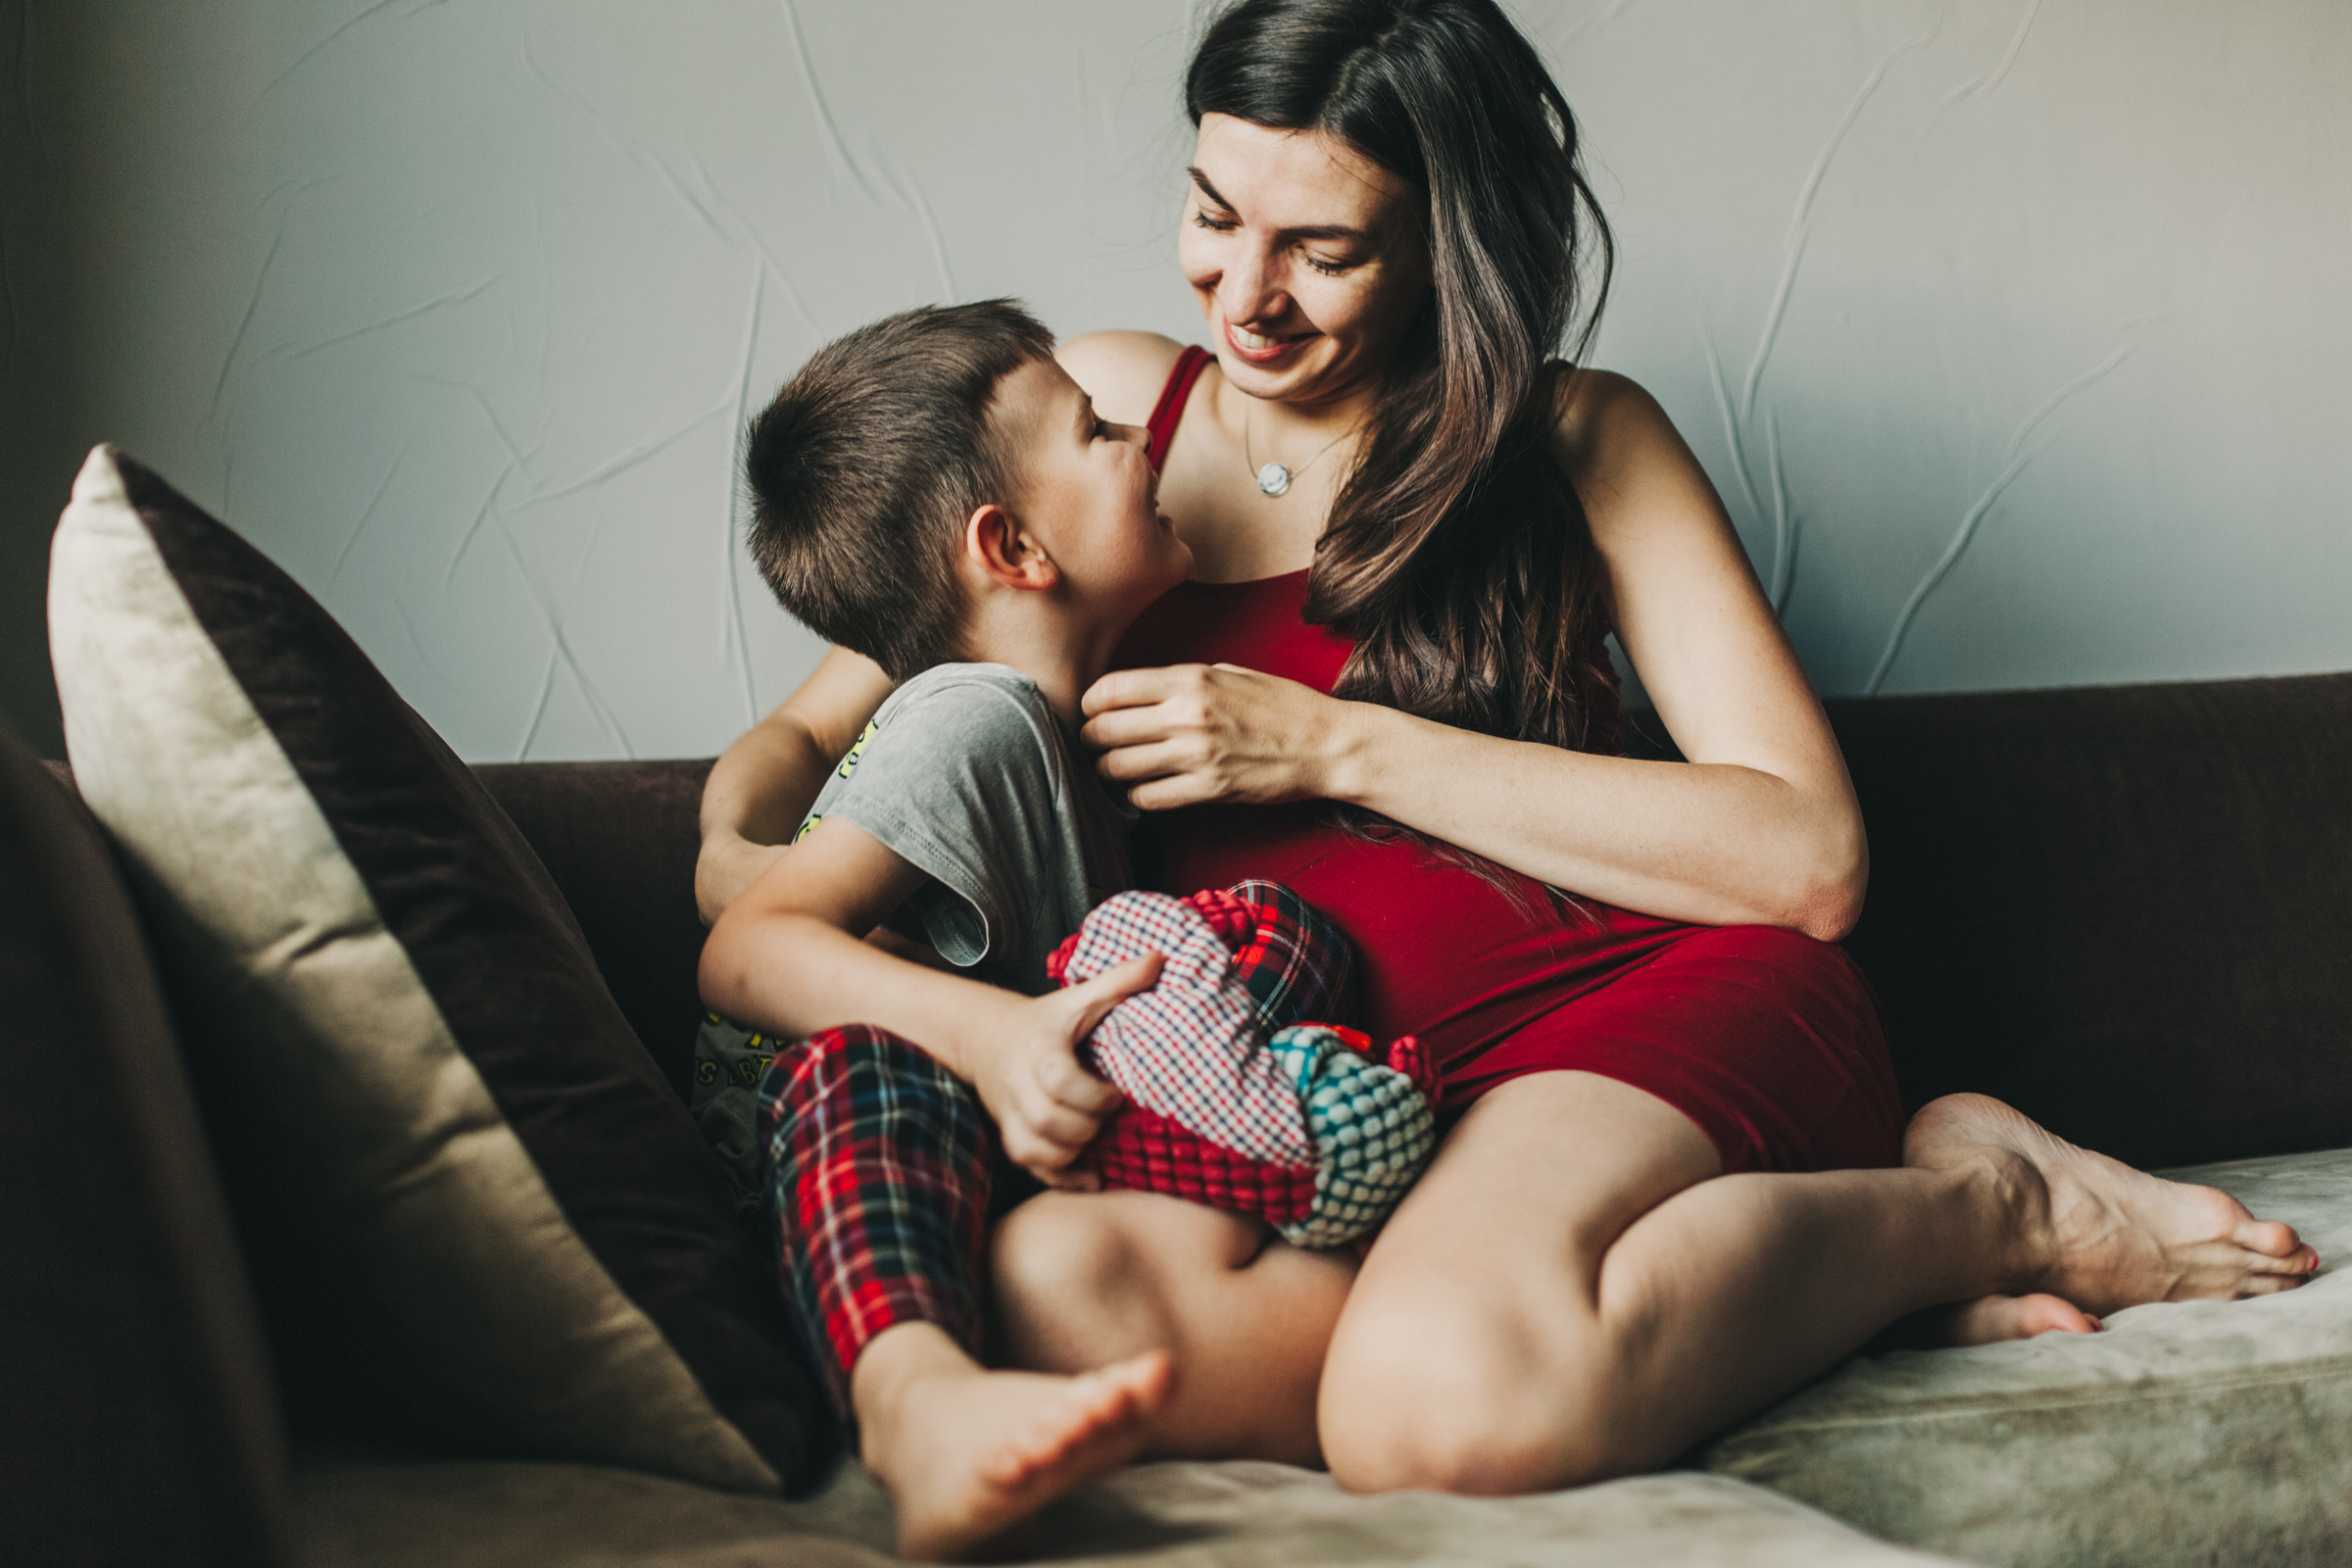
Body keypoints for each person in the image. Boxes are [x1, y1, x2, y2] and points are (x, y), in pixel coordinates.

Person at [699, 0, 2318, 1504]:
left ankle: (1982, 1205)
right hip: (1326, 1107)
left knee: (1436, 1415)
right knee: (1055, 1294)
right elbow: (819, 732)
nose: (1243, 295)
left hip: (1626, 1021)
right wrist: (741, 857)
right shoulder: (1110, 425)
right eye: (1211, 213)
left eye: (1320, 248)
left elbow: (1810, 858)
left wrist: (1337, 744)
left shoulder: (1576, 439)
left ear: (1441, 249)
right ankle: (1746, 1310)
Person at [698, 299, 1195, 1559]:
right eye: (1096, 429)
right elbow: (747, 950)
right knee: (875, 1057)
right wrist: (990, 1036)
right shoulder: (974, 720)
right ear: (1013, 545)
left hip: (969, 1166)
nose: (1139, 430)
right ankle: (918, 1410)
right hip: (818, 1173)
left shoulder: (1066, 742)